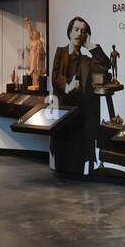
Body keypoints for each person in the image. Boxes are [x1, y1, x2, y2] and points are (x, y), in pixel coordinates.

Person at [50, 15, 98, 174]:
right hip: (62, 119)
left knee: (77, 166)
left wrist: (90, 45)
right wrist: (66, 86)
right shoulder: (60, 52)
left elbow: (104, 65)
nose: (79, 33)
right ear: (70, 32)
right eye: (76, 30)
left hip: (80, 122)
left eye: (83, 31)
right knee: (60, 165)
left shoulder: (87, 60)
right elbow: (55, 77)